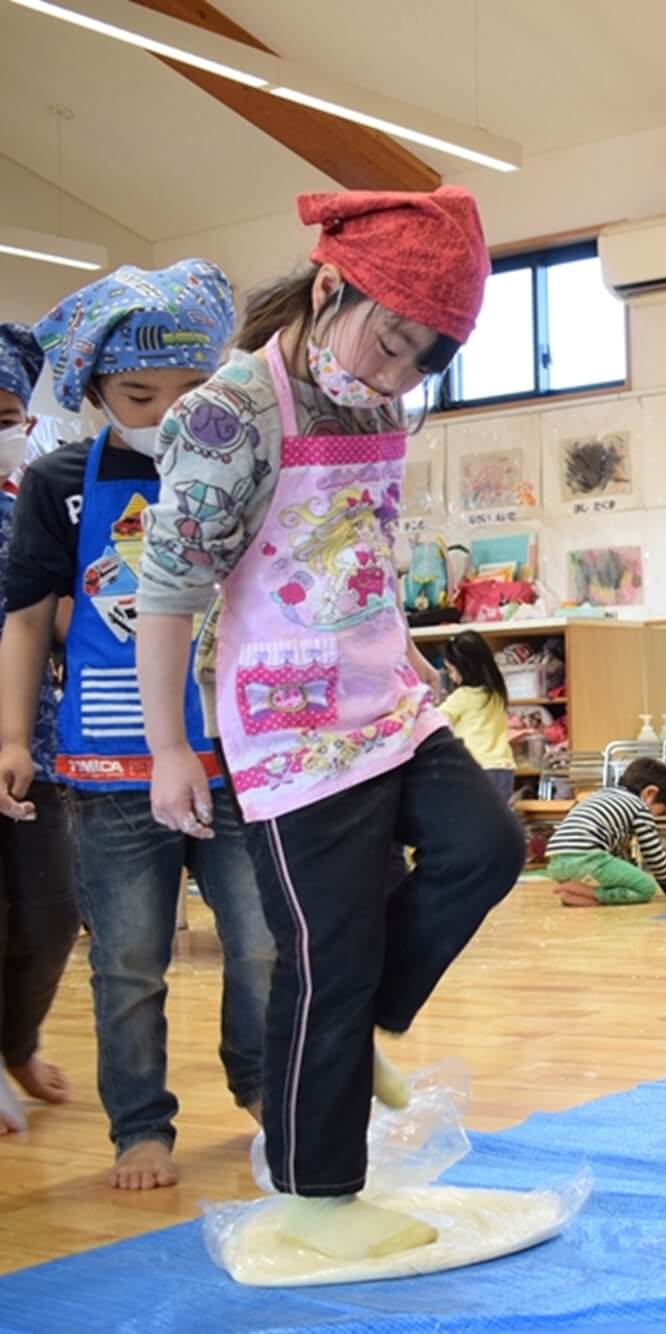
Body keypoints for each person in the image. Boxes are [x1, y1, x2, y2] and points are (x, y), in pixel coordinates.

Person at [138, 188, 525, 1260]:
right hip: (287, 729)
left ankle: (353, 1031)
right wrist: (173, 746)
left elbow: (361, 557)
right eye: (391, 343)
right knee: (327, 954)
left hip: (385, 699)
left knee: (485, 844)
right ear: (326, 287)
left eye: (420, 363)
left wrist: (404, 660)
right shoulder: (232, 413)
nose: (397, 376)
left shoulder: (375, 403)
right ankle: (317, 1194)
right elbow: (170, 591)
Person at [1, 262, 273, 1191]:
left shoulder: (244, 462)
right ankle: (139, 1129)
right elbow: (29, 616)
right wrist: (11, 737)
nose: (167, 413)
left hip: (236, 753)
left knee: (265, 943)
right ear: (94, 392)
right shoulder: (57, 480)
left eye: (193, 391)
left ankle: (267, 1095)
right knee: (125, 961)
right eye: (138, 395)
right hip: (108, 766)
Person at [0, 323, 79, 1137]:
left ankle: (17, 1041)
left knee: (52, 912)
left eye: (10, 416)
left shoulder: (30, 507)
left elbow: (55, 620)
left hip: (35, 740)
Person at [547, 758, 666, 908]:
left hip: (556, 862)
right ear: (650, 793)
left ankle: (576, 894)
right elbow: (653, 853)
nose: (653, 818)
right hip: (586, 860)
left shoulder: (599, 795)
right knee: (645, 888)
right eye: (657, 812)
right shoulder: (639, 807)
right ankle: (588, 892)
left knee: (621, 879)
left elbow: (615, 854)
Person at [437, 630, 514, 802]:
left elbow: (436, 721)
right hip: (503, 768)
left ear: (465, 668)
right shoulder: (497, 693)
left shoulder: (463, 696)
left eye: (451, 671)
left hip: (476, 768)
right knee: (495, 823)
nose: (451, 677)